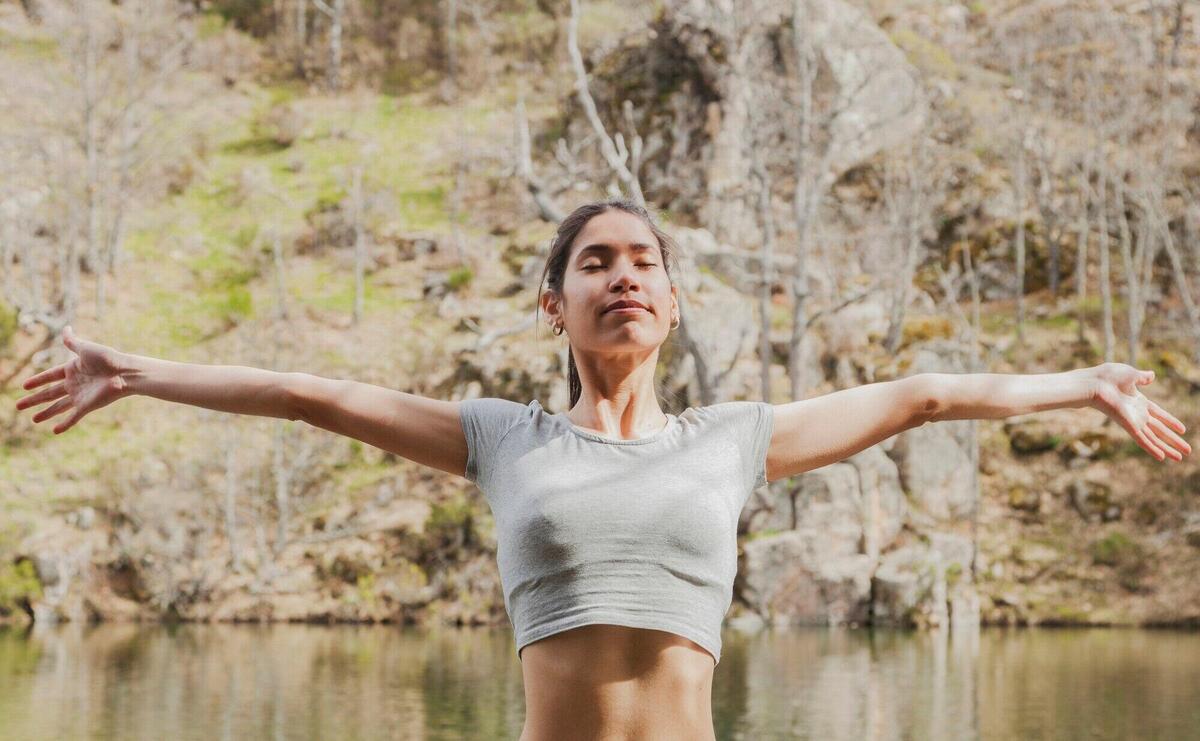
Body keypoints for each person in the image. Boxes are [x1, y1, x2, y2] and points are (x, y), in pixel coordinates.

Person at [13, 197, 1191, 740]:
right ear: (554, 301)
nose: (621, 275)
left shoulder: (733, 441)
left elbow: (926, 396)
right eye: (595, 262)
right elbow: (307, 394)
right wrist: (138, 371)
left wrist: (1082, 386)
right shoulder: (499, 438)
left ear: (671, 303)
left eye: (642, 262)